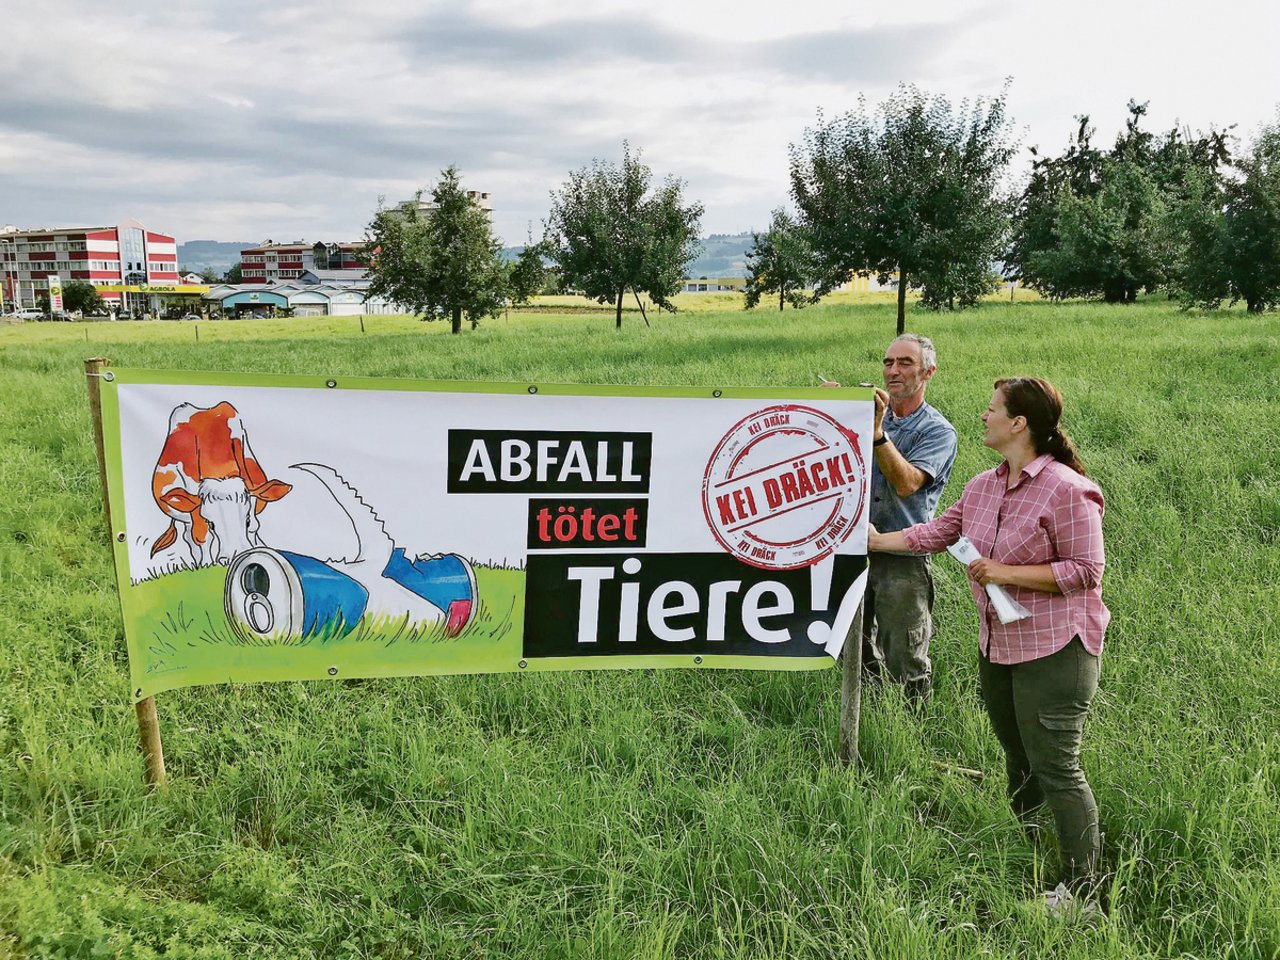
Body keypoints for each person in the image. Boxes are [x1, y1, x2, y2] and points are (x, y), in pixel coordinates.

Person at [868, 377, 1109, 897]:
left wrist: (1004, 572)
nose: (984, 416)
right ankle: (1036, 848)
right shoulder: (983, 485)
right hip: (998, 646)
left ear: (1019, 423)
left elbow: (1087, 570)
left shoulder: (1067, 488)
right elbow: (938, 532)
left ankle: (1083, 890)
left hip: (1056, 647)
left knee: (1058, 766)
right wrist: (874, 539)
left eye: (993, 409)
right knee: (1018, 757)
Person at [826, 334, 958, 708]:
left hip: (902, 553)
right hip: (851, 548)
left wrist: (877, 433)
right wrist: (826, 409)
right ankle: (868, 714)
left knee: (904, 650)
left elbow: (907, 484)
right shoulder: (863, 414)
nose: (893, 371)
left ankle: (914, 727)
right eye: (888, 362)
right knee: (855, 646)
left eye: (905, 363)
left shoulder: (937, 430)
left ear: (928, 372)